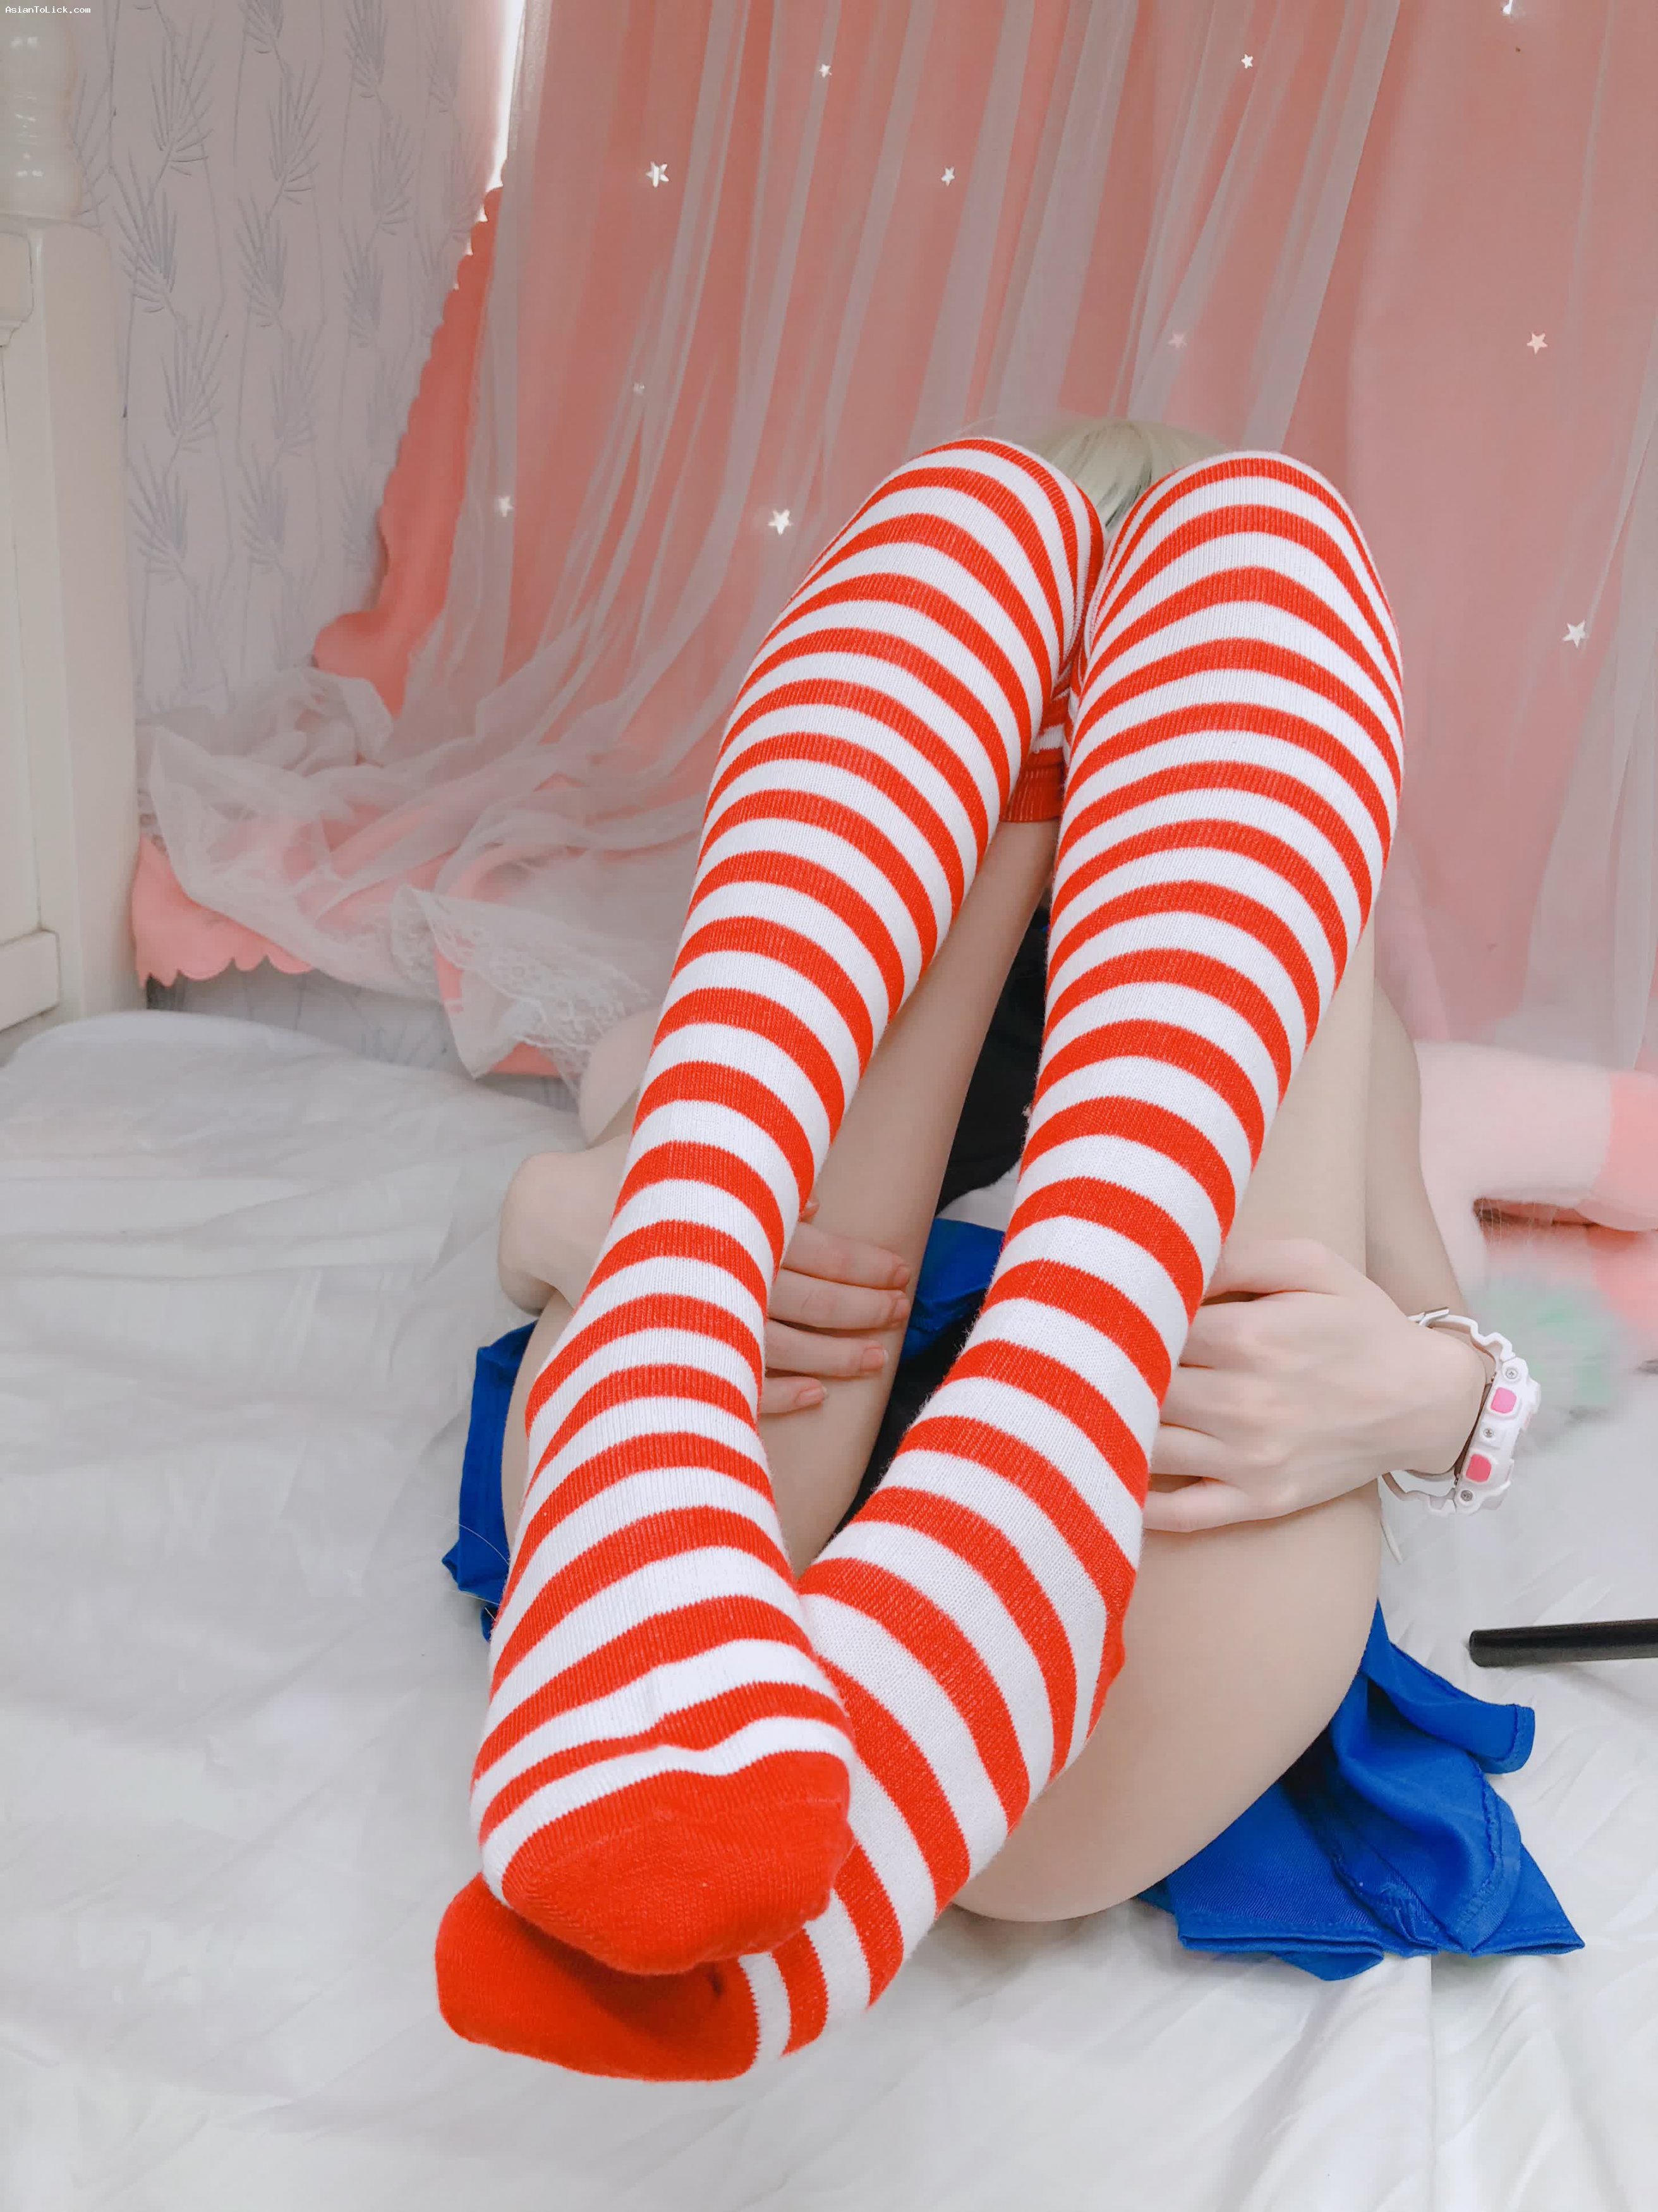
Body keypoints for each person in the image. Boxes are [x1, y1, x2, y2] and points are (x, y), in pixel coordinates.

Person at [435, 423, 1568, 2080]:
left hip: (1142, 1487)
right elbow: (585, 1170)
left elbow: (1456, 1337)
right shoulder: (820, 927)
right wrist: (561, 1213)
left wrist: (1421, 1397)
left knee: (1276, 1064)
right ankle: (733, 1274)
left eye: (1136, 670)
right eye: (1071, 669)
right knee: (745, 1161)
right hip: (795, 1420)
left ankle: (1057, 1368)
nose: (1108, 686)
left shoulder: (1342, 1038)